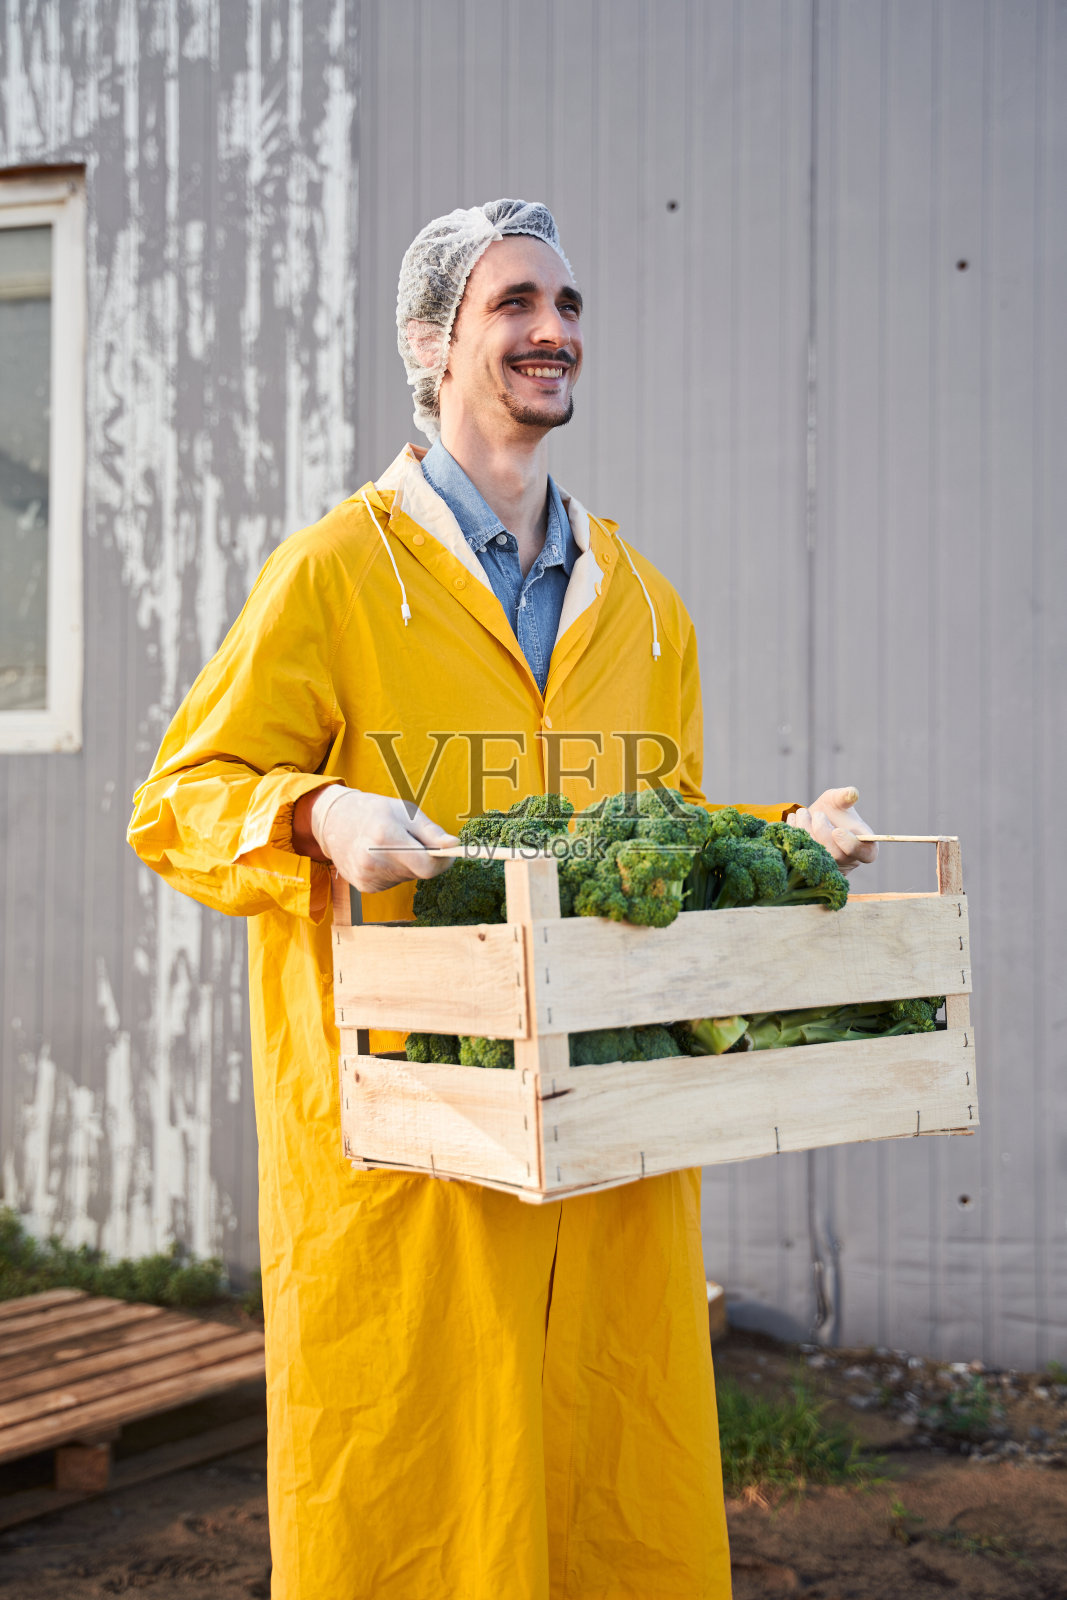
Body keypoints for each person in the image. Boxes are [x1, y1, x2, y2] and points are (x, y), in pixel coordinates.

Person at [128, 199, 876, 1599]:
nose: (555, 331)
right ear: (434, 344)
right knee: (413, 1513)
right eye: (515, 303)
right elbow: (178, 798)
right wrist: (314, 808)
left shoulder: (643, 602)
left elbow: (648, 838)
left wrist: (785, 832)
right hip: (412, 1153)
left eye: (571, 305)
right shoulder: (337, 575)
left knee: (612, 1501)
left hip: (611, 1142)